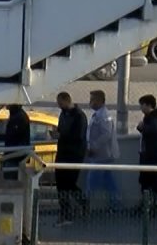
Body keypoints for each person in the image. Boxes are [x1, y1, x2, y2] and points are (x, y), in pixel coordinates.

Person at [54, 92, 87, 226]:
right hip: (62, 153)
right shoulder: (64, 114)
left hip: (73, 155)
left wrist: (61, 135)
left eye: (60, 103)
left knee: (68, 184)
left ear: (66, 101)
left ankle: (74, 209)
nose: (59, 106)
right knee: (61, 184)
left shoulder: (79, 116)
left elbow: (79, 136)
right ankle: (65, 211)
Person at [136, 95, 157, 210]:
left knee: (150, 180)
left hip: (151, 154)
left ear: (148, 105)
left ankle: (151, 206)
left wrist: (142, 128)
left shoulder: (154, 118)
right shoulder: (151, 118)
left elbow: (154, 131)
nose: (141, 108)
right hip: (149, 153)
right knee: (149, 180)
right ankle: (149, 205)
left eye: (142, 105)